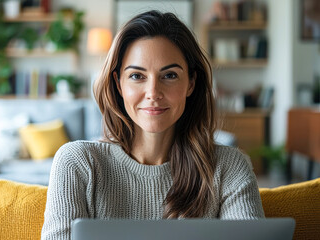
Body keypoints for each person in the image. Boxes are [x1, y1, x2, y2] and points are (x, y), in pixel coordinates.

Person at [41, 10, 264, 239]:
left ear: (191, 83)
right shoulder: (77, 163)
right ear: (119, 84)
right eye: (137, 76)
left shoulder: (229, 168)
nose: (153, 93)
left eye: (169, 76)